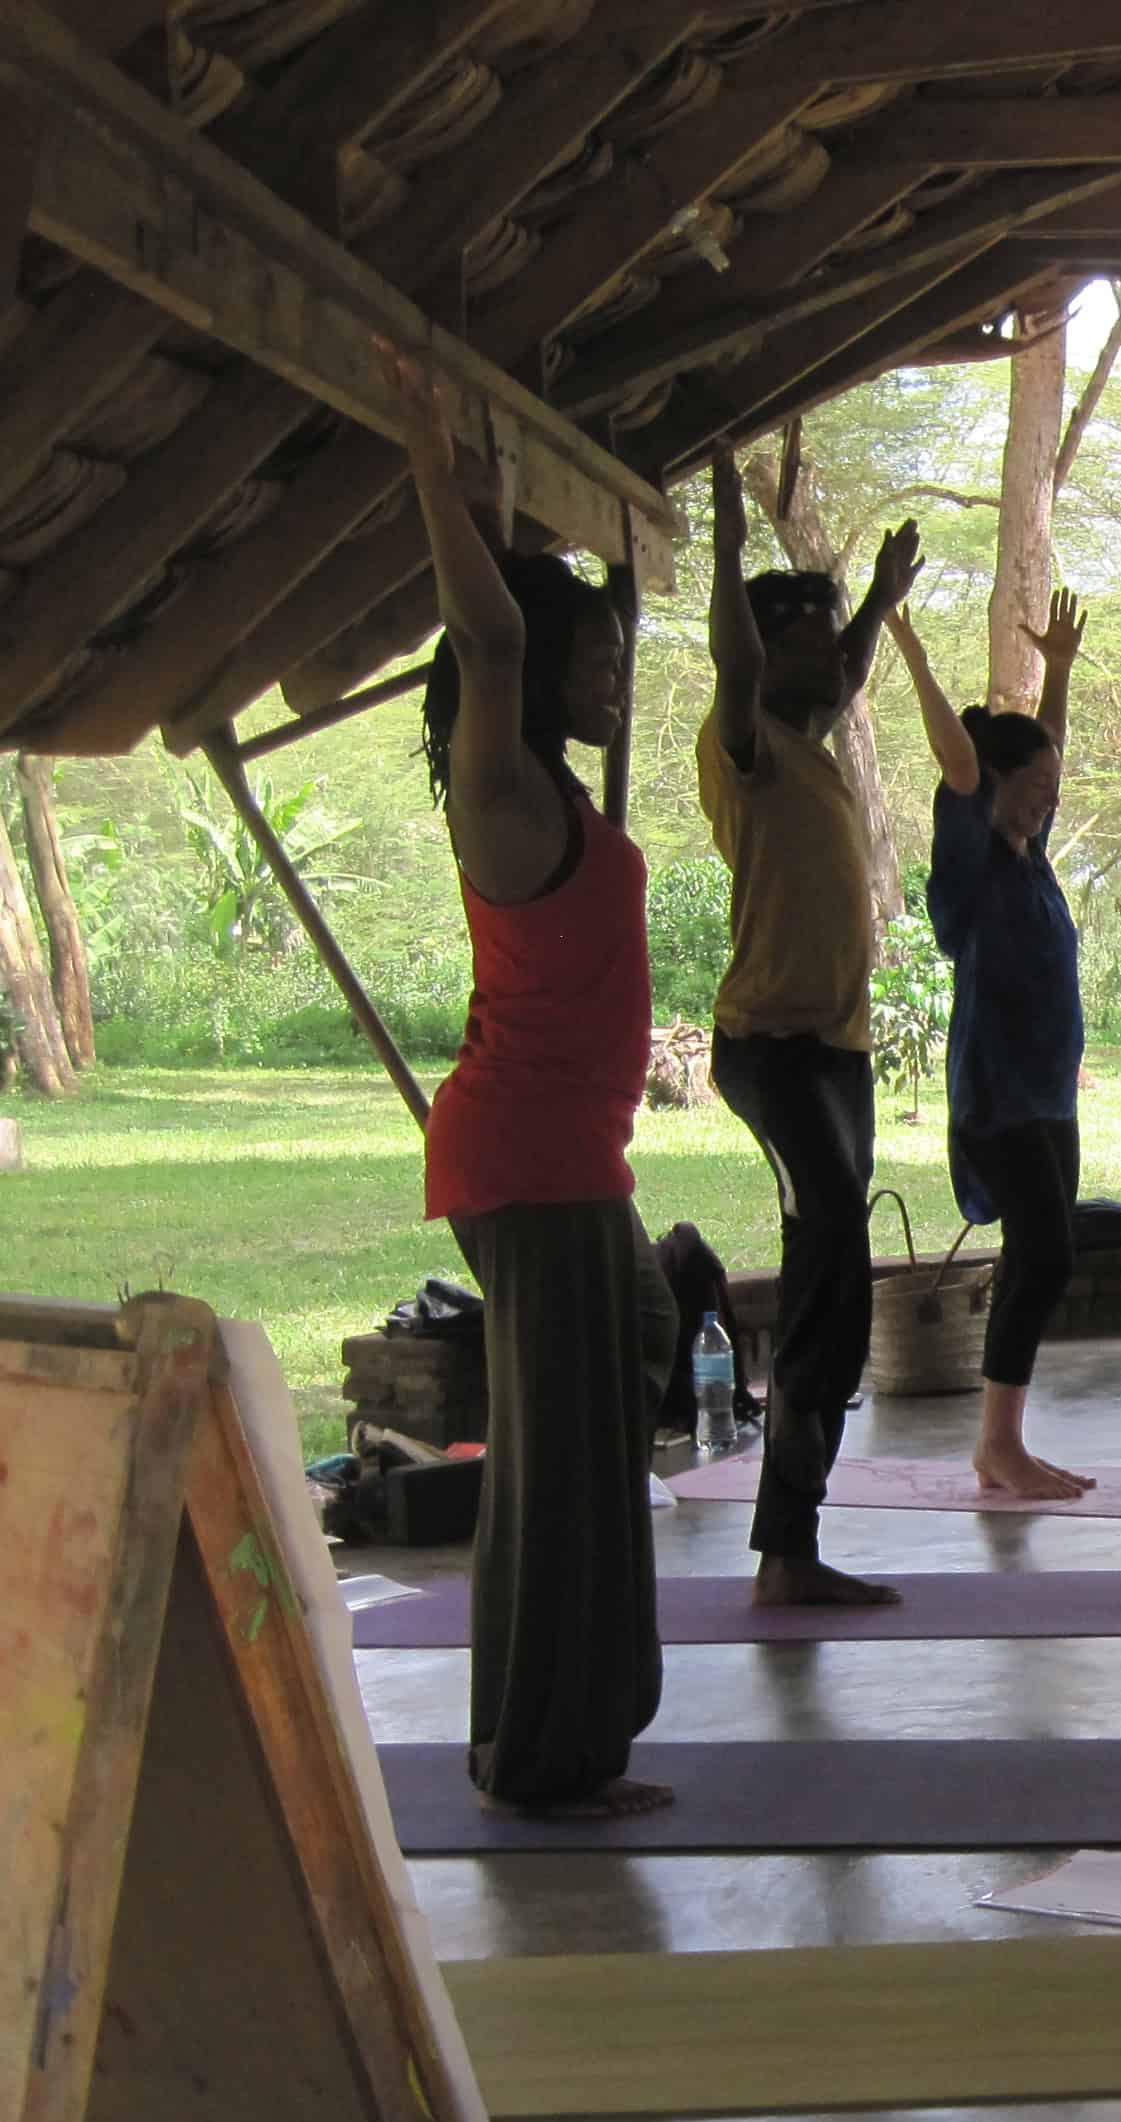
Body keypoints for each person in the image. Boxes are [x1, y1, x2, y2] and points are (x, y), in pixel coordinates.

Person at [379, 338, 669, 1820]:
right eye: (600, 655)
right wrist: (431, 465)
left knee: (587, 1451)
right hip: (526, 1160)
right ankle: (536, 1759)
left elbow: (511, 633)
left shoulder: (540, 791)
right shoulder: (499, 789)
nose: (615, 674)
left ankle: (556, 1739)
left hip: (567, 1163)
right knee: (554, 1472)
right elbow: (485, 642)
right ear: (541, 669)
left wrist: (487, 483)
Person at [700, 447, 921, 1606]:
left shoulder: (812, 745)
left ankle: (794, 1544)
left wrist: (877, 603)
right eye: (800, 646)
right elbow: (744, 665)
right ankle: (785, 1548)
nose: (829, 671)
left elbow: (838, 675)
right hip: (771, 1053)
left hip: (834, 1061)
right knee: (828, 1239)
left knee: (836, 1280)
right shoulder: (743, 751)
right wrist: (735, 556)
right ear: (762, 652)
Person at [892, 591, 1095, 1501]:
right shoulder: (973, 864)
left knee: (1039, 1260)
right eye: (1039, 788)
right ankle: (997, 1445)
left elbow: (1032, 753)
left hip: (1049, 1098)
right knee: (1043, 1256)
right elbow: (964, 761)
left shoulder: (1029, 849)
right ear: (999, 789)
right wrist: (911, 651)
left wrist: (1058, 671)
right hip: (996, 1100)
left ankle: (1001, 1445)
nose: (1050, 800)